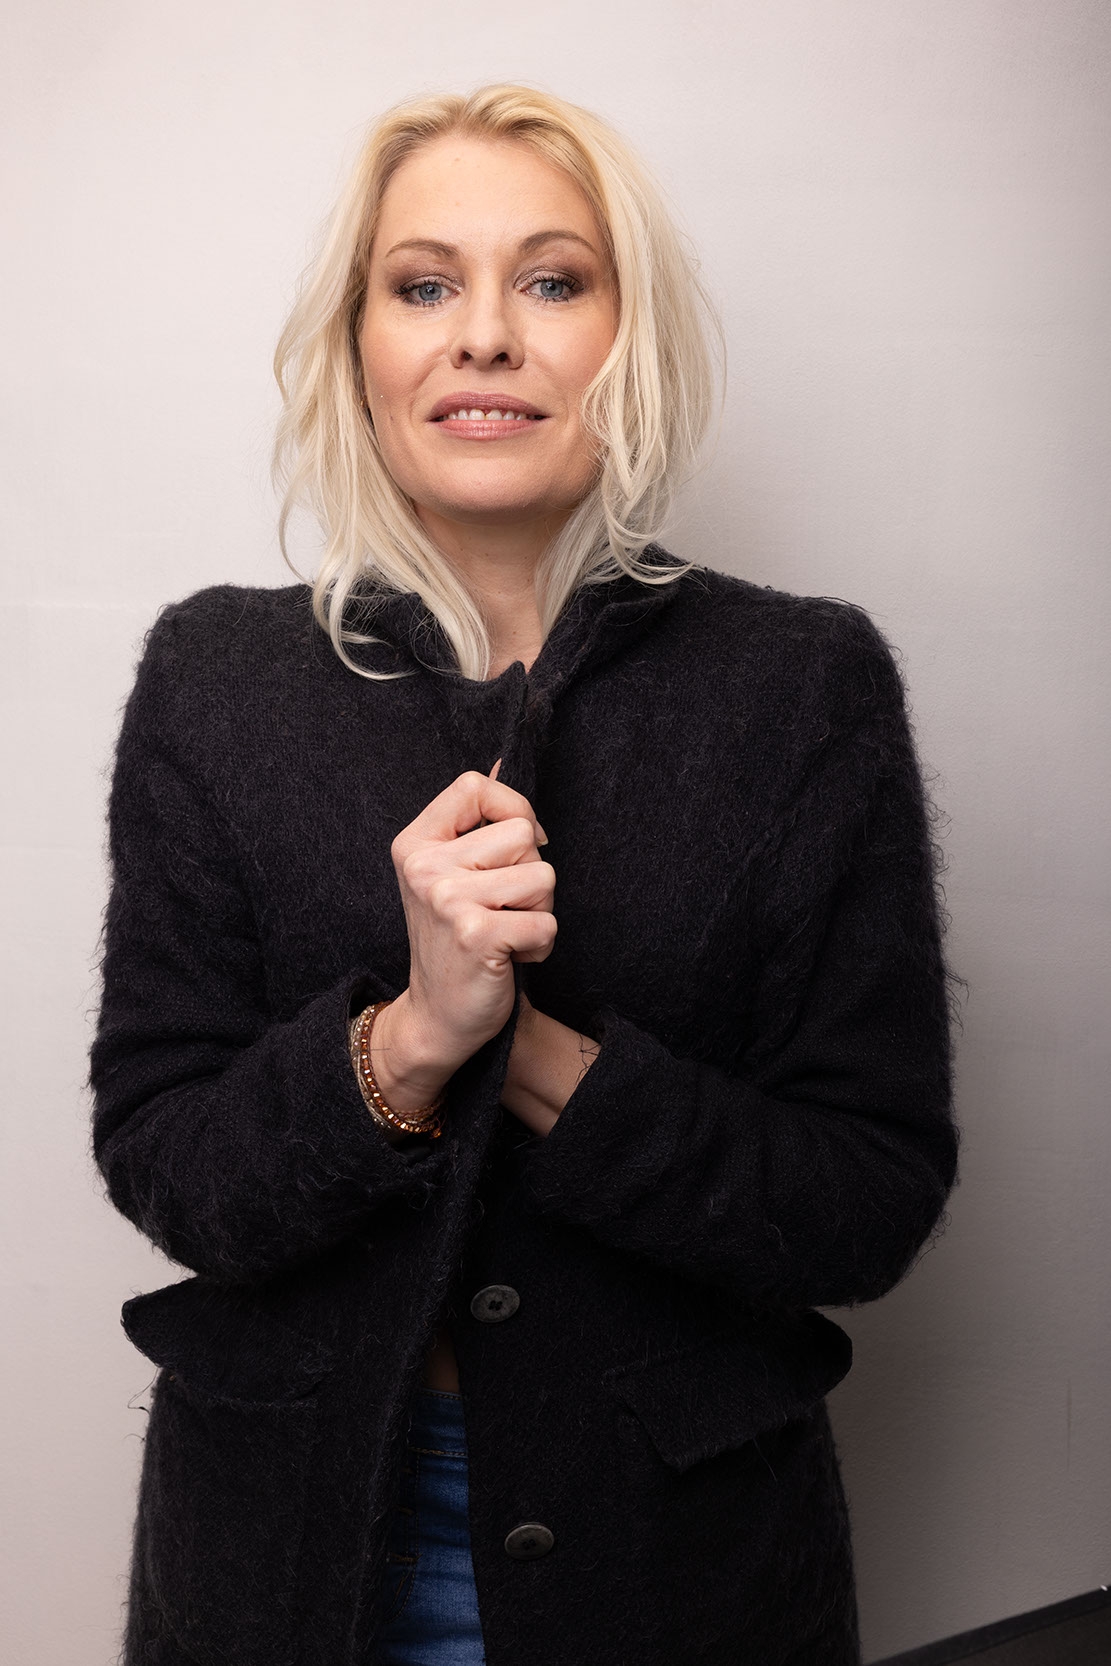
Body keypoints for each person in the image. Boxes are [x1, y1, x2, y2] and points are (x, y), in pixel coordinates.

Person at [89, 82, 959, 1666]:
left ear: (631, 338)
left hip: (680, 1564)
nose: (485, 336)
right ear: (360, 343)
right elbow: (171, 1166)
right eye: (424, 286)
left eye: (552, 281)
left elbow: (865, 1204)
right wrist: (411, 1035)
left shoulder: (801, 686)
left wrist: (540, 1053)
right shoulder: (215, 680)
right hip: (287, 1553)